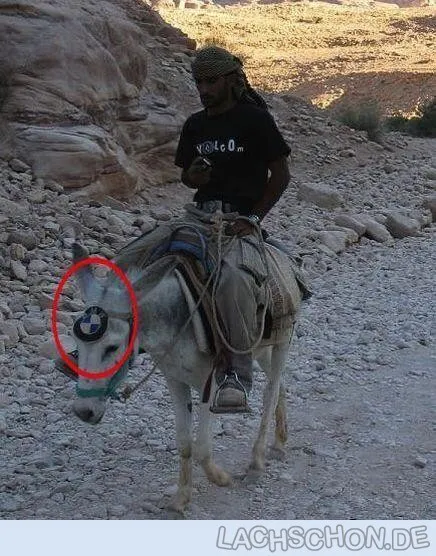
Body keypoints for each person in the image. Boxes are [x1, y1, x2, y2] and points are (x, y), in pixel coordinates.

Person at [174, 45, 292, 413]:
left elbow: (281, 175)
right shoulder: (195, 125)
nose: (203, 90)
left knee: (233, 280)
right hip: (200, 216)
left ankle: (235, 377)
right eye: (198, 82)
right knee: (143, 259)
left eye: (211, 82)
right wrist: (192, 177)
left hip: (241, 221)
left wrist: (253, 218)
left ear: (230, 80)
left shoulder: (254, 120)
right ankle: (105, 353)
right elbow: (186, 177)